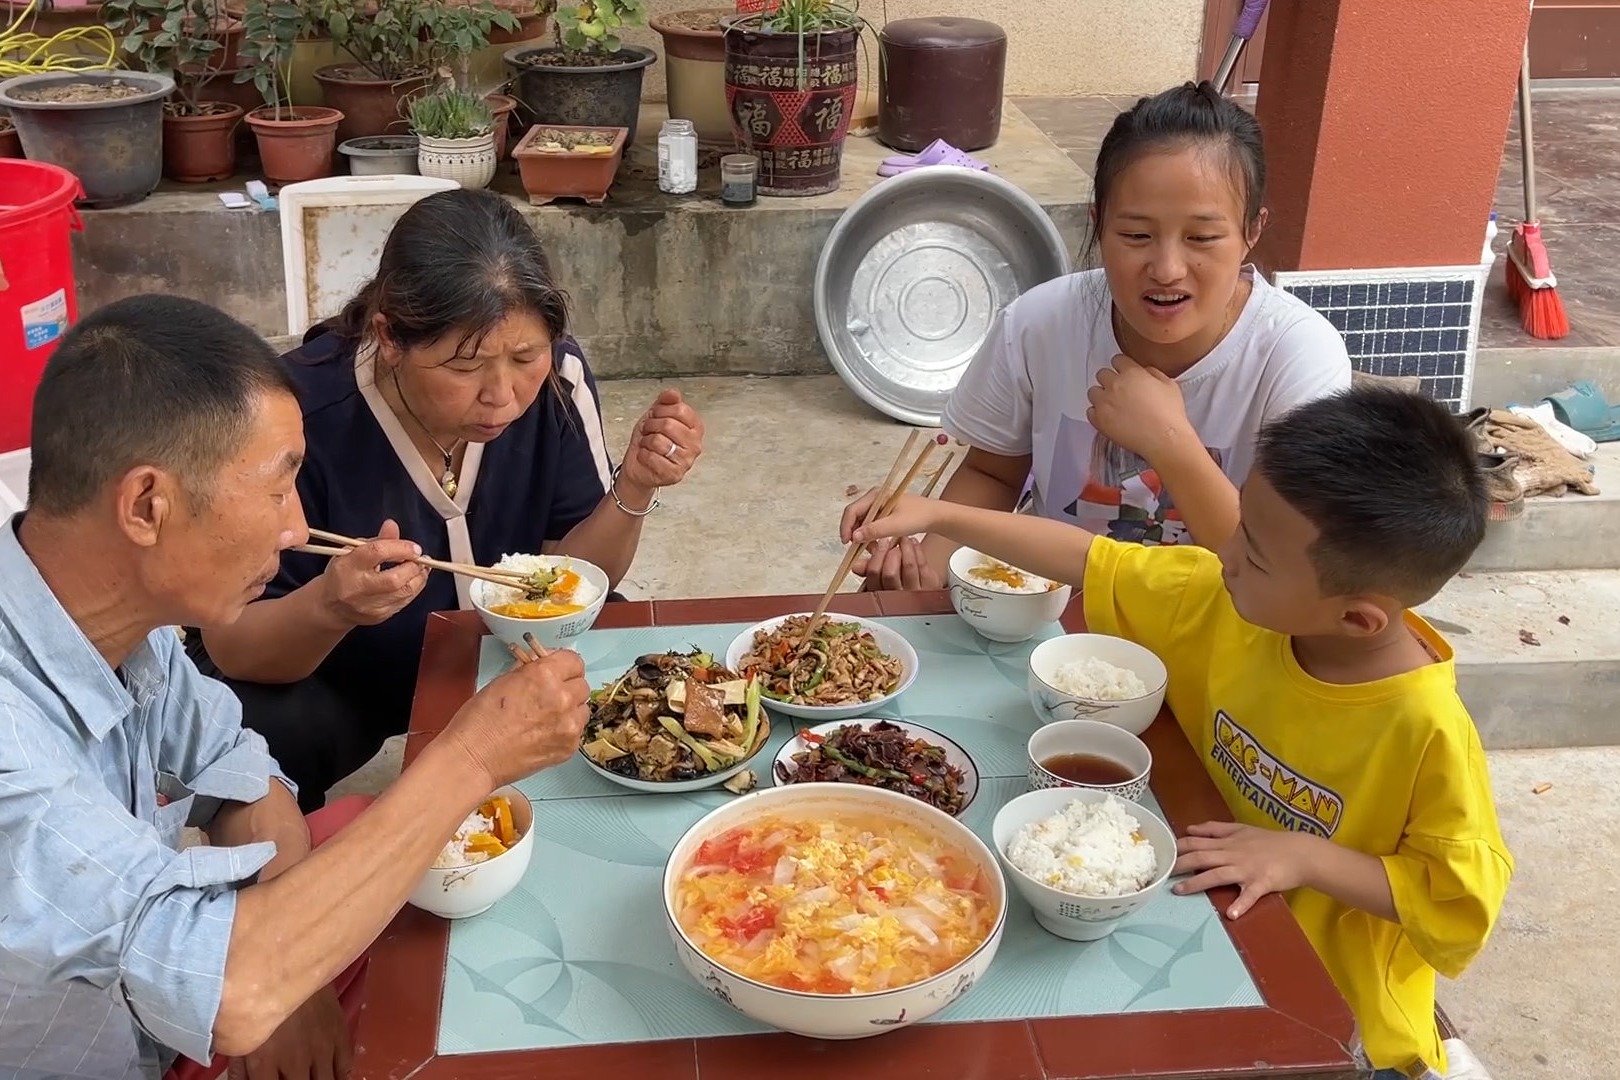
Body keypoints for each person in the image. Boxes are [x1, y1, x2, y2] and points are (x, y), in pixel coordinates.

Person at [842, 386, 1512, 1079]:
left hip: (1328, 1015)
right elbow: (1088, 560)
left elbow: (1458, 896)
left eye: (1253, 553)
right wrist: (940, 513)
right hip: (1192, 913)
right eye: (1241, 526)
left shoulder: (1425, 726)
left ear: (1357, 619)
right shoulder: (1236, 596)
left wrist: (1304, 859)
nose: (1224, 554)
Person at [0, 296, 591, 1080]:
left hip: (185, 1002)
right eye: (279, 488)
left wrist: (294, 970)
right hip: (122, 1050)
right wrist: (474, 756)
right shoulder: (17, 758)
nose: (295, 527)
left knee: (396, 861)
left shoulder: (114, 616)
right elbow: (233, 991)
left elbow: (236, 762)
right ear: (148, 504)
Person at [188, 189, 704, 811]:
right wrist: (332, 604)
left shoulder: (558, 383)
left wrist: (635, 486)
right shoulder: (298, 414)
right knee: (260, 728)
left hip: (505, 651)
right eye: (465, 367)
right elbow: (233, 642)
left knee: (633, 666)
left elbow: (572, 572)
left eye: (525, 356)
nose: (503, 396)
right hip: (355, 674)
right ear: (391, 337)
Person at [857, 81, 1351, 589]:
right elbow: (993, 474)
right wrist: (927, 569)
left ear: (1253, 231)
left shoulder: (1298, 356)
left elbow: (1281, 570)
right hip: (1057, 628)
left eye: (1202, 237)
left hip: (1218, 631)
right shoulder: (1040, 324)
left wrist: (1170, 441)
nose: (1167, 269)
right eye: (1136, 235)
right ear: (1099, 222)